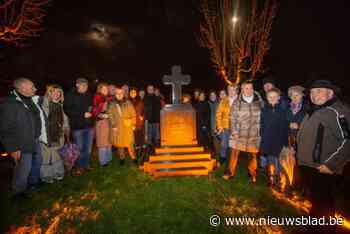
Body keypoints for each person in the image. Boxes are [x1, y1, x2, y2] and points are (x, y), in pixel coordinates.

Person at [297, 80, 350, 218]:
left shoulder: (338, 112)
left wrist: (332, 165)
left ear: (330, 93)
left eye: (319, 91)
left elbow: (348, 141)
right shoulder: (314, 111)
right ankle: (314, 227)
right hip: (310, 166)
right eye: (312, 92)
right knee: (316, 201)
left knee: (323, 204)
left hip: (324, 168)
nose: (315, 95)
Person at [0, 78, 42, 197]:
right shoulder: (10, 104)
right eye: (32, 87)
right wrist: (13, 148)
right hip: (21, 144)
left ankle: (33, 184)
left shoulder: (30, 100)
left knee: (37, 162)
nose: (35, 89)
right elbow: (5, 129)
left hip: (34, 139)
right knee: (23, 168)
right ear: (22, 88)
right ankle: (19, 192)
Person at [224, 80, 263, 183]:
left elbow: (264, 117)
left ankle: (252, 174)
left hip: (254, 133)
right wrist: (234, 131)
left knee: (252, 156)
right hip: (239, 133)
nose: (249, 90)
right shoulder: (237, 103)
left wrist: (260, 130)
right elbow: (232, 118)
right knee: (234, 154)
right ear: (242, 89)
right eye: (246, 88)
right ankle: (230, 172)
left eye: (251, 88)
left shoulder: (259, 102)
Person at [37, 85, 69, 183]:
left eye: (58, 92)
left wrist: (66, 128)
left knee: (57, 156)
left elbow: (63, 120)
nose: (56, 94)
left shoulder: (59, 105)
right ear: (49, 93)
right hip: (47, 136)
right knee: (46, 158)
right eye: (53, 92)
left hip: (58, 136)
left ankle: (58, 174)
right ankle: (46, 177)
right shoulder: (44, 104)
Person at [63, 78, 93, 176]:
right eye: (82, 85)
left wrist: (92, 111)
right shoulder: (70, 95)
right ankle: (79, 167)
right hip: (77, 127)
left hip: (89, 125)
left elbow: (92, 106)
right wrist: (82, 114)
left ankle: (86, 164)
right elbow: (67, 110)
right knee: (79, 148)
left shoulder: (89, 95)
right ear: (77, 85)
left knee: (88, 148)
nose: (85, 87)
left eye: (86, 85)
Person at [260, 88, 289, 188]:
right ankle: (271, 179)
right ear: (267, 98)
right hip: (267, 141)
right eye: (270, 97)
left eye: (274, 97)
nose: (272, 98)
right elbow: (261, 126)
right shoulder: (264, 111)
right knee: (270, 161)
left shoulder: (282, 111)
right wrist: (262, 140)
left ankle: (279, 181)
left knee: (279, 163)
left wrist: (285, 143)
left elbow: (285, 127)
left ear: (278, 98)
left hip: (279, 141)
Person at [108, 87, 137, 165]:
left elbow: (133, 113)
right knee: (119, 144)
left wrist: (133, 124)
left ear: (123, 94)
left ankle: (133, 157)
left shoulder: (128, 102)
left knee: (130, 143)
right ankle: (122, 158)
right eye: (118, 93)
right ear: (115, 94)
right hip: (118, 127)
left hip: (127, 126)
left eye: (121, 93)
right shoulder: (112, 104)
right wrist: (113, 125)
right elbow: (110, 115)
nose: (119, 95)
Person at [216, 85, 239, 164]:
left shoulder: (240, 100)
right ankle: (223, 157)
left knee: (234, 146)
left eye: (233, 89)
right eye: (229, 90)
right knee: (224, 144)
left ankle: (233, 161)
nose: (231, 91)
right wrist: (219, 126)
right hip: (225, 126)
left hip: (237, 128)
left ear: (236, 90)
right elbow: (219, 114)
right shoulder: (224, 100)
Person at [92, 82, 112, 167]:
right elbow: (94, 110)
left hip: (109, 122)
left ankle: (108, 158)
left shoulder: (109, 98)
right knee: (102, 142)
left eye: (106, 89)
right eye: (103, 89)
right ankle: (103, 161)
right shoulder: (97, 98)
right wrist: (101, 115)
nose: (105, 90)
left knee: (109, 141)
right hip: (102, 123)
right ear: (100, 90)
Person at [130, 88, 145, 158]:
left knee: (139, 138)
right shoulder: (127, 102)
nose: (133, 94)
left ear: (136, 93)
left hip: (139, 123)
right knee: (132, 139)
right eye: (131, 92)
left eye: (134, 92)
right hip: (131, 123)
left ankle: (140, 152)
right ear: (130, 94)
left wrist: (142, 115)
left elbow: (143, 110)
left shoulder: (140, 101)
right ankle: (133, 154)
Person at [208, 91, 219, 155]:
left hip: (219, 125)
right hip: (211, 125)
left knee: (220, 142)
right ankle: (217, 154)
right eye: (211, 95)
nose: (212, 96)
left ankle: (220, 155)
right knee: (214, 141)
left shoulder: (219, 103)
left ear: (216, 96)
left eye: (214, 95)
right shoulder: (208, 104)